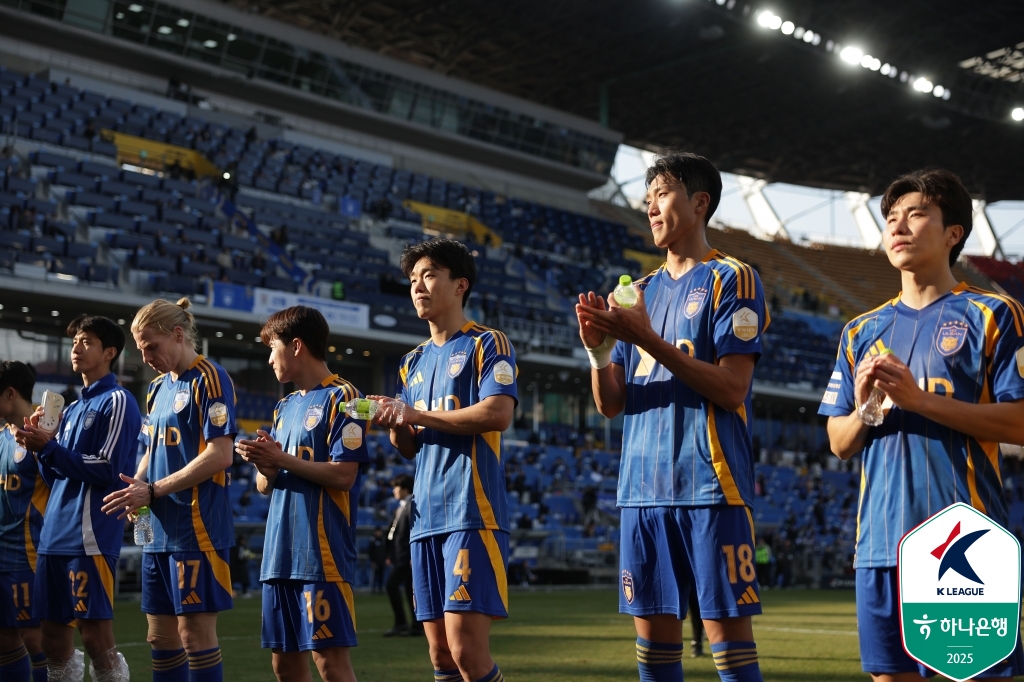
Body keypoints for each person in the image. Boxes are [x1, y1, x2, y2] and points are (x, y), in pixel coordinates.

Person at [818, 168, 1024, 682]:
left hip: (964, 546)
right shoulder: (860, 330)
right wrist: (868, 410)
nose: (898, 227)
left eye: (916, 214)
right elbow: (839, 444)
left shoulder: (995, 313)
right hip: (880, 546)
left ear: (954, 232)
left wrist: (917, 400)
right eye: (891, 218)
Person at [576, 151, 767, 682]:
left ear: (700, 202)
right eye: (647, 199)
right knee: (655, 652)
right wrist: (599, 353)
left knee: (728, 645)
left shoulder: (734, 279)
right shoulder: (640, 292)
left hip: (711, 486)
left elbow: (732, 389)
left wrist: (648, 340)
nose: (651, 208)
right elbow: (612, 404)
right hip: (641, 489)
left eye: (661, 194)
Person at [371, 237, 518, 682]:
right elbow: (412, 445)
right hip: (425, 519)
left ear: (460, 285)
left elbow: (498, 413)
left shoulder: (487, 344)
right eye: (413, 279)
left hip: (472, 512)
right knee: (439, 656)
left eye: (429, 274)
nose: (418, 286)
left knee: (466, 651)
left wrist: (416, 413)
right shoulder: (411, 362)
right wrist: (397, 424)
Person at [101, 298, 236, 682]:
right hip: (157, 529)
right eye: (140, 349)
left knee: (194, 636)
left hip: (197, 528)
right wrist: (136, 487)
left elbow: (220, 455)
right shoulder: (157, 387)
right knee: (159, 638)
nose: (145, 358)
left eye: (152, 347)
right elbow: (150, 450)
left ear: (178, 335)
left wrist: (153, 490)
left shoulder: (210, 377)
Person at [234, 305, 368, 682]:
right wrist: (266, 465)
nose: (269, 357)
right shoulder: (284, 406)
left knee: (329, 663)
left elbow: (344, 475)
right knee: (285, 663)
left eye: (272, 347)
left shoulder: (346, 397)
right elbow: (266, 485)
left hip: (321, 553)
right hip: (279, 553)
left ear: (295, 346)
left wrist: (281, 458)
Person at [15, 316, 140, 682]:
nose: (76, 347)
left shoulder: (118, 400)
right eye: (75, 341)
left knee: (95, 635)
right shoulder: (68, 410)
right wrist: (40, 447)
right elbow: (54, 477)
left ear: (109, 353)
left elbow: (107, 468)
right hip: (54, 534)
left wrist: (49, 447)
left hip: (91, 534)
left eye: (87, 341)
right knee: (52, 638)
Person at [0, 361, 48, 682]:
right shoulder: (1, 436)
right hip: (1, 558)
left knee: (36, 640)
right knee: (4, 641)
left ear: (10, 394)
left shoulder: (44, 436)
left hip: (28, 558)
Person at [384, 475, 417, 637]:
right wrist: (391, 553)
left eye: (396, 487)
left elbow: (412, 532)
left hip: (407, 558)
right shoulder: (401, 506)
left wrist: (413, 555)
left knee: (393, 586)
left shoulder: (411, 505)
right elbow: (394, 533)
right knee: (410, 590)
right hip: (400, 556)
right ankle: (413, 625)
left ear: (405, 489)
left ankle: (404, 623)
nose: (393, 491)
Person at [368, 530, 386, 595]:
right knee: (374, 576)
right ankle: (373, 589)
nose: (379, 533)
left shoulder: (383, 540)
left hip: (382, 561)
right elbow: (370, 551)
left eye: (380, 531)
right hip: (375, 562)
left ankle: (380, 589)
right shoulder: (373, 541)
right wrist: (372, 560)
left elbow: (385, 550)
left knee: (381, 576)